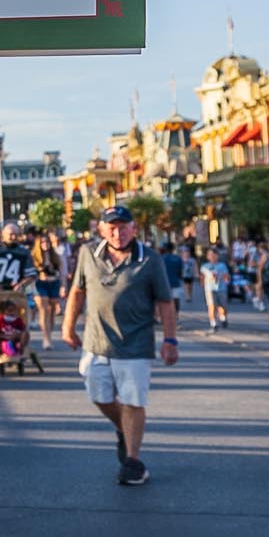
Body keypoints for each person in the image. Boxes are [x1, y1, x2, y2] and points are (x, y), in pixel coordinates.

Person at [62, 205, 178, 487]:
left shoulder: (149, 260)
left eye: (123, 226)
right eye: (111, 227)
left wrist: (170, 340)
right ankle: (124, 430)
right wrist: (68, 327)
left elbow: (165, 302)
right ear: (101, 230)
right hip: (96, 341)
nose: (118, 232)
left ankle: (133, 461)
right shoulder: (89, 254)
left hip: (135, 344)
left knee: (133, 401)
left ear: (133, 228)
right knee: (98, 395)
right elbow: (78, 292)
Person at [30, 230, 67, 344]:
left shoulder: (55, 256)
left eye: (47, 242)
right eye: (42, 242)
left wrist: (63, 286)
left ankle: (49, 333)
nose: (45, 244)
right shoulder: (34, 257)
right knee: (43, 310)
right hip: (40, 284)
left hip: (53, 283)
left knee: (51, 312)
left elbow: (62, 272)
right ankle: (46, 338)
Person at [199, 246, 232, 333]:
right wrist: (203, 285)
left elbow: (227, 276)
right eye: (210, 255)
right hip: (209, 289)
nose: (212, 256)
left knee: (223, 306)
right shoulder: (205, 266)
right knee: (212, 306)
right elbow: (202, 277)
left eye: (214, 255)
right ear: (207, 256)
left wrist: (224, 278)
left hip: (221, 288)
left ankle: (223, 318)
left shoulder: (222, 265)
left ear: (217, 256)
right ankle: (213, 324)